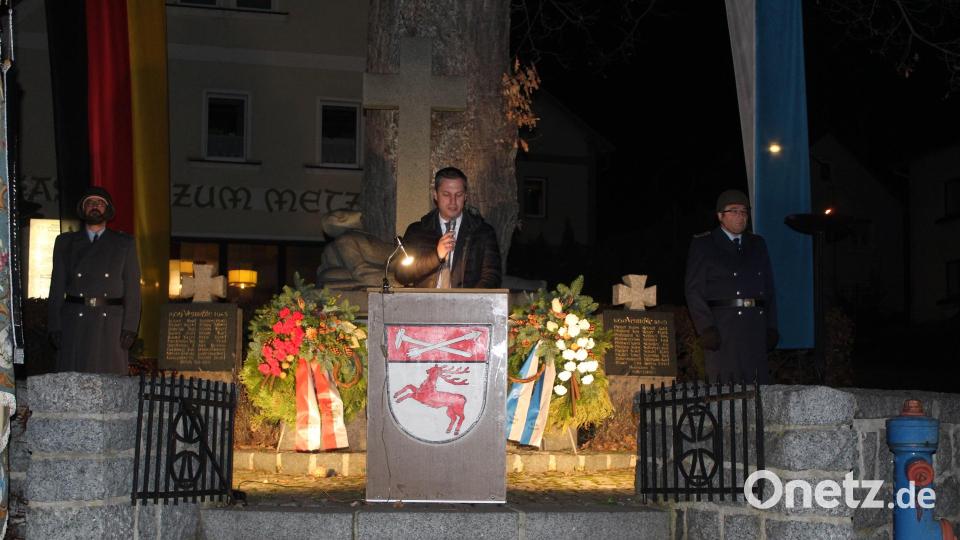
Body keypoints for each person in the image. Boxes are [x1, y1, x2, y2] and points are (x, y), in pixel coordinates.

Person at [684, 189, 778, 383]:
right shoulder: (705, 244)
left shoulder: (757, 244)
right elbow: (694, 290)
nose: (740, 216)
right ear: (720, 215)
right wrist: (706, 328)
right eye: (734, 211)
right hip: (724, 330)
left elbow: (768, 289)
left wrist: (771, 326)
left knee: (758, 390)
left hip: (754, 327)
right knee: (727, 391)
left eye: (744, 212)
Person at [47, 186, 142, 374]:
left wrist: (130, 327)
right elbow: (56, 287)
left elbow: (133, 290)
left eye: (99, 203)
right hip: (75, 320)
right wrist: (54, 325)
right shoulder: (66, 243)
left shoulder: (124, 243)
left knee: (109, 380)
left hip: (110, 323)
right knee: (73, 380)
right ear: (83, 210)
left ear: (107, 210)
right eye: (90, 203)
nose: (95, 207)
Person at [395, 167, 502, 288]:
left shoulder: (483, 232)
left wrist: (469, 301)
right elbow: (401, 275)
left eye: (459, 195)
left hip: (468, 304)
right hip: (426, 303)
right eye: (446, 194)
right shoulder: (417, 231)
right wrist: (436, 256)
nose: (453, 201)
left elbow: (492, 276)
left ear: (465, 196)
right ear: (435, 195)